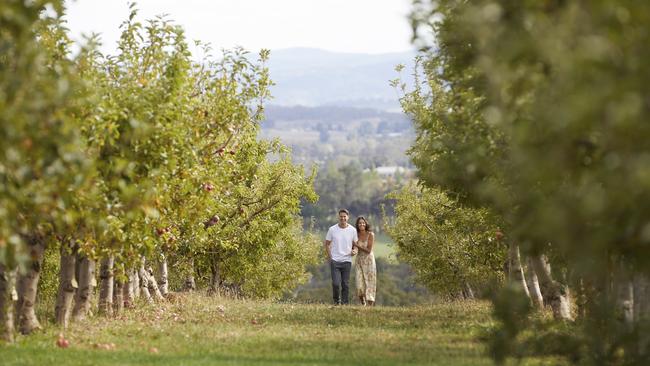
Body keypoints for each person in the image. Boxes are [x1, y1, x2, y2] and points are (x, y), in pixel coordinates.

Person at [324, 209, 358, 305]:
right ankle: (336, 301)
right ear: (338, 217)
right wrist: (330, 256)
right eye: (341, 216)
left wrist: (355, 250)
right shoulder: (332, 229)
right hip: (335, 261)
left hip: (347, 261)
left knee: (345, 284)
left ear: (348, 217)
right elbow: (326, 244)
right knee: (335, 283)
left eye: (344, 216)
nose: (343, 218)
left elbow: (356, 244)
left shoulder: (353, 230)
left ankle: (345, 303)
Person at [353, 216, 377, 306]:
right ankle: (362, 300)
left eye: (363, 223)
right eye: (359, 223)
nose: (361, 224)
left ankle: (370, 305)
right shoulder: (355, 234)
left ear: (366, 223)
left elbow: (368, 250)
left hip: (369, 260)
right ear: (357, 225)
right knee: (359, 282)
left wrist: (356, 245)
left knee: (370, 282)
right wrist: (354, 249)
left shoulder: (371, 234)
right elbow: (353, 247)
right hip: (359, 260)